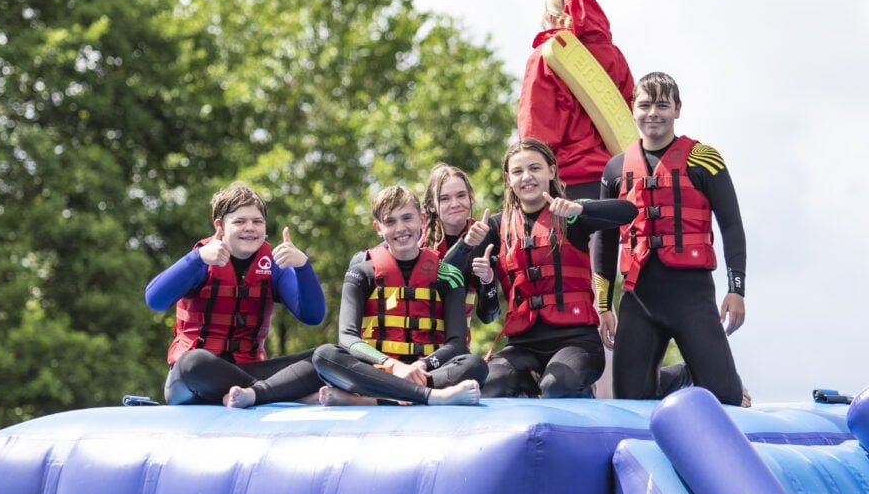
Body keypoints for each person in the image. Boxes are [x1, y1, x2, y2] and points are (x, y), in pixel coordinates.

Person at [227, 185, 485, 408]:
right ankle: (428, 396)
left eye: (407, 218)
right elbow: (348, 338)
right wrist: (393, 366)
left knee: (475, 364)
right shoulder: (361, 272)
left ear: (423, 221)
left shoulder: (448, 275)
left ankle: (373, 399)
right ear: (378, 228)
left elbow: (456, 343)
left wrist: (422, 366)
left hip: (425, 370)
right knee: (325, 355)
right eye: (390, 221)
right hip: (375, 369)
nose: (401, 228)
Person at [593, 72, 748, 406]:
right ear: (633, 109)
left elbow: (732, 226)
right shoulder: (615, 169)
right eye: (645, 105)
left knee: (726, 396)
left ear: (677, 109)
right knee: (629, 400)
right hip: (638, 299)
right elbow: (604, 240)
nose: (653, 113)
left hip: (691, 297)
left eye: (662, 105)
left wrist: (736, 290)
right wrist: (603, 306)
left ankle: (698, 374)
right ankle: (681, 376)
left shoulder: (703, 159)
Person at [466, 138, 635, 398]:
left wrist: (581, 208)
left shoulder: (572, 214)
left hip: (578, 342)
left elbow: (628, 211)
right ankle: (529, 387)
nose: (527, 177)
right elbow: (487, 315)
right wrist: (487, 280)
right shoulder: (495, 227)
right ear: (508, 179)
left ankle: (576, 391)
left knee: (556, 385)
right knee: (492, 384)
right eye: (518, 171)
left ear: (552, 171)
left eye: (535, 168)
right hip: (523, 345)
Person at [144, 182, 327, 405]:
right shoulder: (202, 260)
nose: (250, 228)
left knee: (325, 357)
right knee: (193, 362)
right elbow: (154, 300)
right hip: (195, 377)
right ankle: (276, 393)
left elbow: (313, 316)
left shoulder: (273, 266)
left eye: (257, 221)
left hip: (248, 370)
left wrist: (303, 266)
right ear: (220, 226)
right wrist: (197, 258)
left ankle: (253, 394)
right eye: (239, 221)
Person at [517, 0, 634, 200]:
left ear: (551, 16)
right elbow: (629, 115)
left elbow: (536, 131)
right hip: (616, 180)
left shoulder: (547, 57)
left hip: (568, 183)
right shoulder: (615, 56)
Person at [421, 163, 500, 333]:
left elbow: (489, 317)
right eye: (444, 198)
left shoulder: (486, 237)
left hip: (457, 343)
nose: (455, 204)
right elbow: (440, 287)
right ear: (432, 205)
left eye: (461, 195)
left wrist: (488, 280)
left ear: (471, 197)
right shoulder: (418, 239)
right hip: (418, 339)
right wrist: (466, 244)